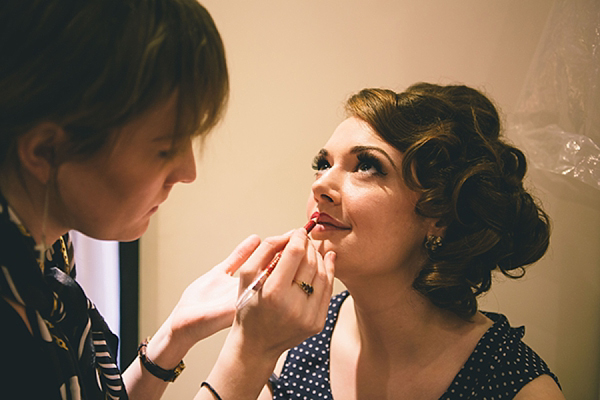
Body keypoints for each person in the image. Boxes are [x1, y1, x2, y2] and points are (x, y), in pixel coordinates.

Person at [0, 1, 335, 399]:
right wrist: (251, 352)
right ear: (44, 150)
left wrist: (176, 333)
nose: (187, 172)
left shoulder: (45, 252)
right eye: (164, 149)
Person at [264, 83, 564, 399]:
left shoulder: (517, 387)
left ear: (440, 214)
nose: (321, 185)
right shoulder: (292, 340)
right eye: (322, 165)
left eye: (366, 166)